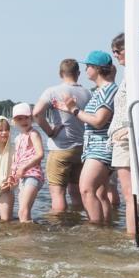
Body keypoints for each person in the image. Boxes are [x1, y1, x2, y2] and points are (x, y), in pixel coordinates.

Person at [57, 50, 118, 225]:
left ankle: (95, 229)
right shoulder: (100, 91)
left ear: (97, 69)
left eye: (88, 66)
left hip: (100, 149)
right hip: (95, 148)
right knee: (100, 193)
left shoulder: (108, 90)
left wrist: (75, 110)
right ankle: (106, 230)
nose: (85, 71)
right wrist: (70, 108)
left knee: (86, 190)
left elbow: (99, 121)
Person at [32, 59, 92, 213]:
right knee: (76, 192)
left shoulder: (52, 91)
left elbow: (37, 113)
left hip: (61, 149)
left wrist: (50, 132)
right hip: (81, 149)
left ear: (60, 74)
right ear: (78, 74)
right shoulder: (87, 93)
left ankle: (60, 228)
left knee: (58, 193)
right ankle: (77, 219)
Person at [108, 34, 139, 237]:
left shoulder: (136, 74)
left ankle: (134, 239)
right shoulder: (132, 74)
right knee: (137, 195)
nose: (115, 55)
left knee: (131, 195)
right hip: (126, 139)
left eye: (119, 50)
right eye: (114, 51)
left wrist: (128, 128)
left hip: (128, 141)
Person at [9, 103, 44, 223]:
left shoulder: (33, 134)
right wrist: (13, 175)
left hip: (33, 175)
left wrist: (24, 167)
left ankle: (26, 239)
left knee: (23, 210)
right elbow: (16, 158)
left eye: (26, 117)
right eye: (19, 118)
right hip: (22, 176)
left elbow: (40, 154)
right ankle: (28, 236)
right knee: (22, 212)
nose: (23, 121)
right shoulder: (18, 138)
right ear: (14, 121)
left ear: (31, 118)